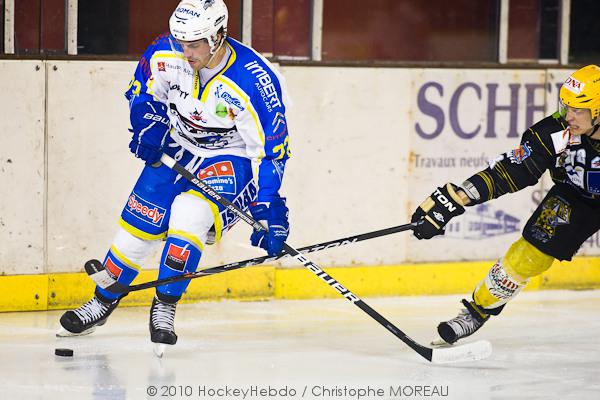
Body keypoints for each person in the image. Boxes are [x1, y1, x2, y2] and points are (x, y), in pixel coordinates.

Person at [57, 0, 292, 354]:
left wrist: (268, 206)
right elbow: (142, 93)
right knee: (136, 232)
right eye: (181, 42)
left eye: (194, 44)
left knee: (189, 216)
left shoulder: (255, 79)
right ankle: (103, 301)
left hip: (230, 156)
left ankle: (165, 305)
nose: (186, 51)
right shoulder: (164, 52)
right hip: (177, 145)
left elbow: (272, 150)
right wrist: (148, 124)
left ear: (218, 35)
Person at [411, 65, 600, 345]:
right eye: (566, 107)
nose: (568, 116)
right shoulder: (557, 132)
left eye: (578, 110)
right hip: (573, 196)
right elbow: (512, 170)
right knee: (526, 256)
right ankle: (476, 311)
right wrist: (457, 199)